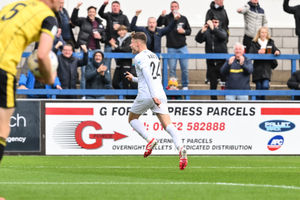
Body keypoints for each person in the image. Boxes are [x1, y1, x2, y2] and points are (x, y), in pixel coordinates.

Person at [0, 0, 59, 165]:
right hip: (3, 66)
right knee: (2, 127)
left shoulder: (13, 6)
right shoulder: (48, 17)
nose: (62, 1)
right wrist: (48, 78)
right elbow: (42, 55)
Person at [125, 32, 187, 170]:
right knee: (168, 125)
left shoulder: (139, 57)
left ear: (138, 43)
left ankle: (150, 140)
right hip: (160, 93)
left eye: (132, 42)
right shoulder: (154, 55)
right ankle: (181, 148)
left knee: (132, 119)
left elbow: (147, 74)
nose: (130, 45)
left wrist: (152, 95)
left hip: (148, 94)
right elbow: (153, 77)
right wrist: (134, 79)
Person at [71, 2, 106, 90]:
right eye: (90, 11)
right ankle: (83, 94)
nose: (91, 13)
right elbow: (73, 20)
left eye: (93, 11)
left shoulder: (100, 23)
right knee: (84, 72)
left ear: (95, 13)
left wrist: (100, 37)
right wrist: (77, 8)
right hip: (85, 50)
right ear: (87, 13)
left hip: (96, 51)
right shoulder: (83, 21)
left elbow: (104, 38)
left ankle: (94, 92)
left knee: (96, 72)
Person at [157, 1, 191, 90]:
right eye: (172, 6)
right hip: (171, 47)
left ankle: (185, 85)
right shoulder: (167, 18)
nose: (174, 8)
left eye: (175, 6)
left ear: (178, 7)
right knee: (172, 68)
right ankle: (173, 85)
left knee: (185, 68)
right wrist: (161, 16)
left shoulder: (183, 18)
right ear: (170, 8)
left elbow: (189, 31)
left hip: (183, 47)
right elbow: (158, 24)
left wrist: (184, 31)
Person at [195, 16, 228, 100]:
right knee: (213, 85)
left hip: (222, 62)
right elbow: (198, 40)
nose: (214, 23)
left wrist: (213, 28)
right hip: (211, 63)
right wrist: (202, 31)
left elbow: (223, 36)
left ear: (219, 23)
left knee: (224, 84)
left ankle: (227, 100)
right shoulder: (207, 32)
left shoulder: (222, 30)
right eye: (212, 22)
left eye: (216, 22)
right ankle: (214, 102)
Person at [99, 0, 130, 76]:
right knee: (106, 66)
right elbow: (100, 13)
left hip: (119, 46)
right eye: (113, 6)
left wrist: (120, 27)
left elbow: (129, 28)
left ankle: (120, 85)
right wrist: (104, 5)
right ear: (111, 7)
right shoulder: (108, 15)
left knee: (120, 66)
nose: (115, 7)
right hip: (108, 45)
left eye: (117, 6)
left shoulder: (124, 17)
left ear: (119, 7)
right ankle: (108, 86)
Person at [249, 27, 280, 100]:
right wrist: (258, 52)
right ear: (259, 34)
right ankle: (258, 103)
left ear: (267, 34)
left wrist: (277, 52)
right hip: (257, 68)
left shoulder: (270, 42)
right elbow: (250, 53)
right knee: (259, 87)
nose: (263, 34)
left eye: (265, 32)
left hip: (266, 68)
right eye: (262, 32)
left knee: (265, 86)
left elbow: (276, 50)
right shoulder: (254, 43)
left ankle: (262, 102)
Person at [110, 25, 137, 93]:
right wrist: (113, 47)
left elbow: (127, 49)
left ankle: (127, 98)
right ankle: (121, 96)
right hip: (118, 64)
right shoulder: (118, 39)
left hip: (126, 64)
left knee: (126, 83)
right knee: (115, 83)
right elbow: (115, 51)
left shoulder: (129, 38)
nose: (121, 32)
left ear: (126, 31)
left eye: (123, 30)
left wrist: (115, 46)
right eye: (119, 30)